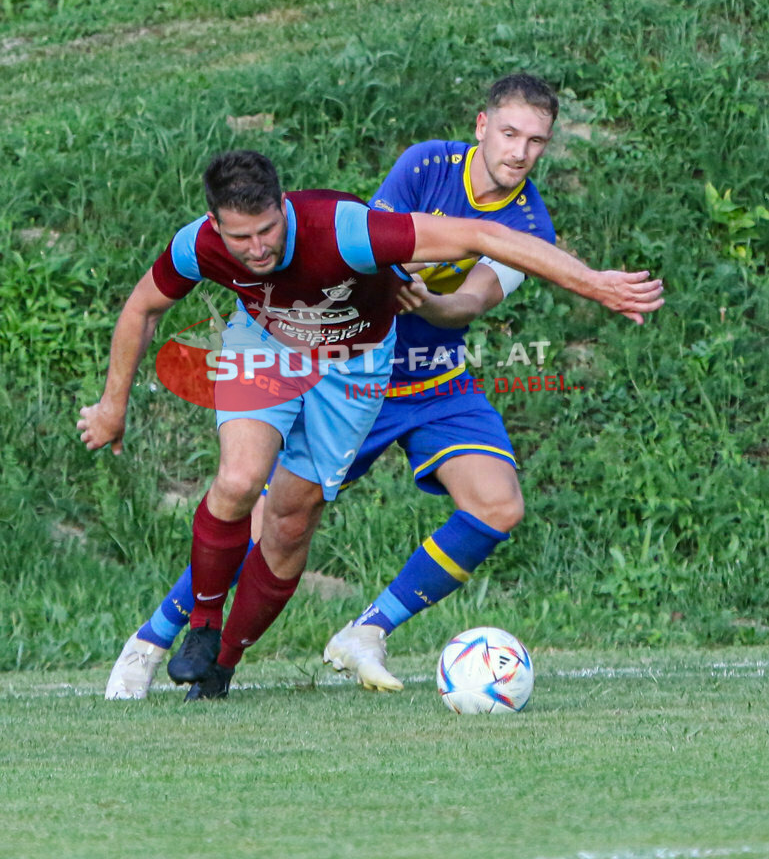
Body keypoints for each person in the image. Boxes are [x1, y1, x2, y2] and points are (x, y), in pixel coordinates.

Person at [85, 132, 662, 703]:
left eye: (268, 230)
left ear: (283, 206)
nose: (257, 248)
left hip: (354, 366)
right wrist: (112, 407)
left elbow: (485, 235)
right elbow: (143, 309)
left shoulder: (346, 230)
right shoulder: (196, 245)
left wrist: (594, 284)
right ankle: (196, 629)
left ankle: (222, 665)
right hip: (265, 348)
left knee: (290, 521)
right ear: (215, 225)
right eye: (241, 237)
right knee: (238, 481)